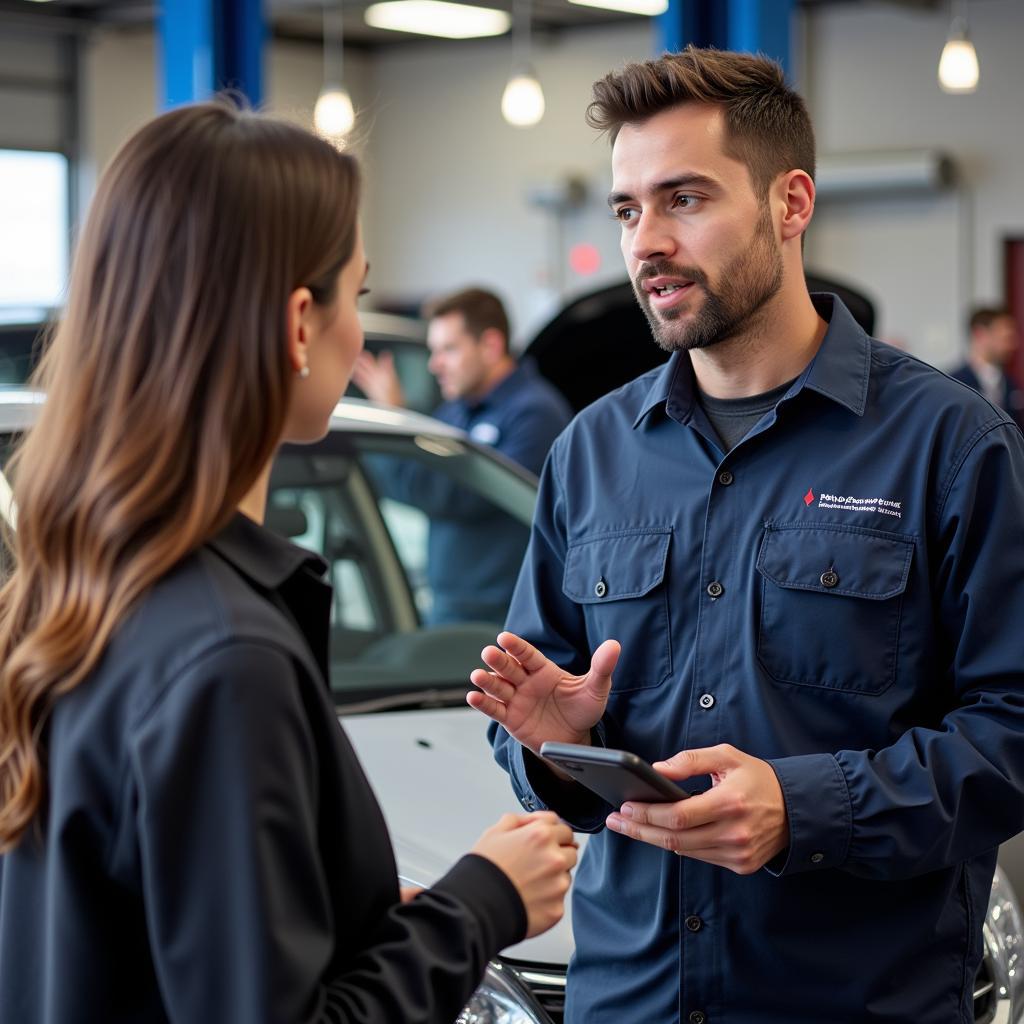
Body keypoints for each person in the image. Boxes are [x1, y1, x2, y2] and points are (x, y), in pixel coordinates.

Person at [467, 47, 1024, 1024]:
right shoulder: (590, 452)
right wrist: (555, 748)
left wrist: (806, 807)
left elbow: (1011, 729)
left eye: (684, 199)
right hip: (628, 1002)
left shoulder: (950, 445)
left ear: (790, 203)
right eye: (628, 210)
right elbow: (536, 708)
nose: (647, 243)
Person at [0, 101, 578, 1024]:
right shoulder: (227, 657)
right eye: (358, 292)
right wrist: (483, 903)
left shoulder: (83, 593)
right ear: (301, 323)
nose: (361, 342)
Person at [353, 288, 572, 624]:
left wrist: (393, 419)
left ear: (491, 346)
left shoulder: (536, 415)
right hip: (452, 608)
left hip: (504, 616)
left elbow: (452, 493)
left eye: (448, 350)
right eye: (433, 351)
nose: (434, 364)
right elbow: (416, 481)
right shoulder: (455, 411)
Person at [950, 305, 1024, 430]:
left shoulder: (1011, 384)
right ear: (980, 334)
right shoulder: (953, 383)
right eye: (1006, 337)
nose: (1014, 344)